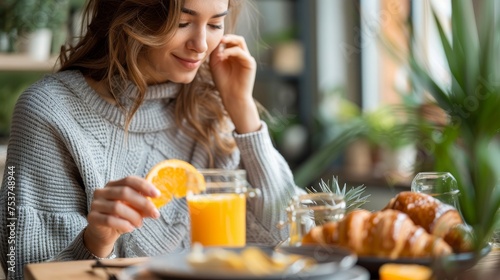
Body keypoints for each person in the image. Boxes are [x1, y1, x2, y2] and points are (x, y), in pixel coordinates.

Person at [0, 0, 299, 278]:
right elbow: (21, 269)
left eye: (215, 24)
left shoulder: (211, 107)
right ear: (132, 16)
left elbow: (285, 237)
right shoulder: (51, 110)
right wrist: (95, 241)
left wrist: (242, 109)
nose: (201, 45)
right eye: (182, 23)